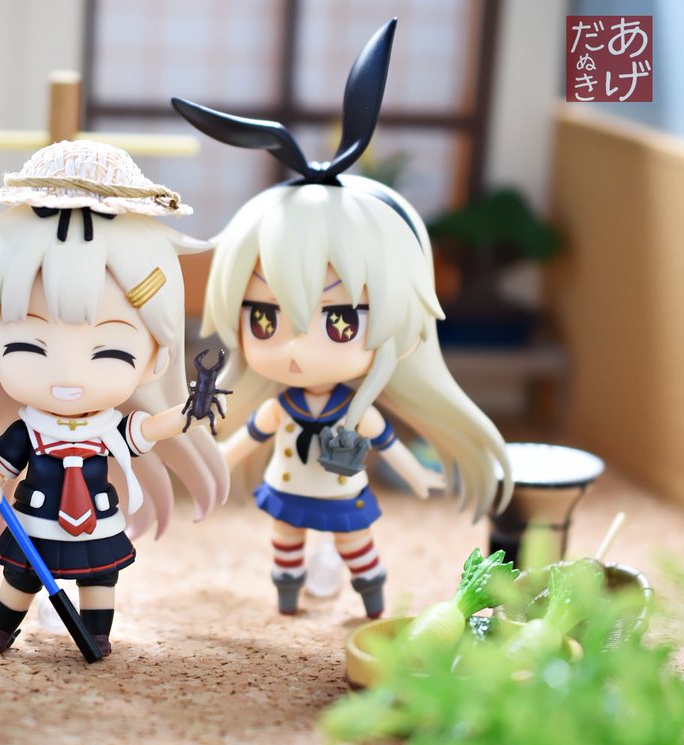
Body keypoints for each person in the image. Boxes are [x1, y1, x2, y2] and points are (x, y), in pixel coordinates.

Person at [174, 18, 511, 618]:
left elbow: (391, 447)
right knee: (285, 544)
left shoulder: (357, 413)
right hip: (287, 491)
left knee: (358, 547)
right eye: (265, 319)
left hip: (344, 496)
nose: (294, 348)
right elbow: (240, 444)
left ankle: (370, 595)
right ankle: (288, 591)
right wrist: (209, 468)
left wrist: (419, 477)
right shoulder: (279, 407)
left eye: (338, 323)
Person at [0, 140, 228, 656]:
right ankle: (0, 631)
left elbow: (147, 430)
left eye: (110, 352)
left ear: (155, 357)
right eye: (26, 347)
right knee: (19, 578)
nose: (68, 376)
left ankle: (97, 634)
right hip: (36, 519)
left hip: (96, 519)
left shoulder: (109, 428)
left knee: (101, 580)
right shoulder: (28, 431)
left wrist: (191, 409)